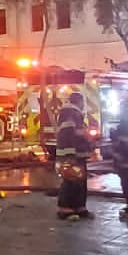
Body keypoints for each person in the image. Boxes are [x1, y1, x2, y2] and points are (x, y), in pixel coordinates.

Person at [55, 91, 94, 221]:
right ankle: (65, 209)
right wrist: (70, 154)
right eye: (83, 102)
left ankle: (79, 207)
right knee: (70, 181)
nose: (83, 105)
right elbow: (68, 134)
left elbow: (77, 134)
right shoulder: (70, 113)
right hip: (72, 155)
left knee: (80, 181)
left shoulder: (74, 114)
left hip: (78, 154)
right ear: (79, 101)